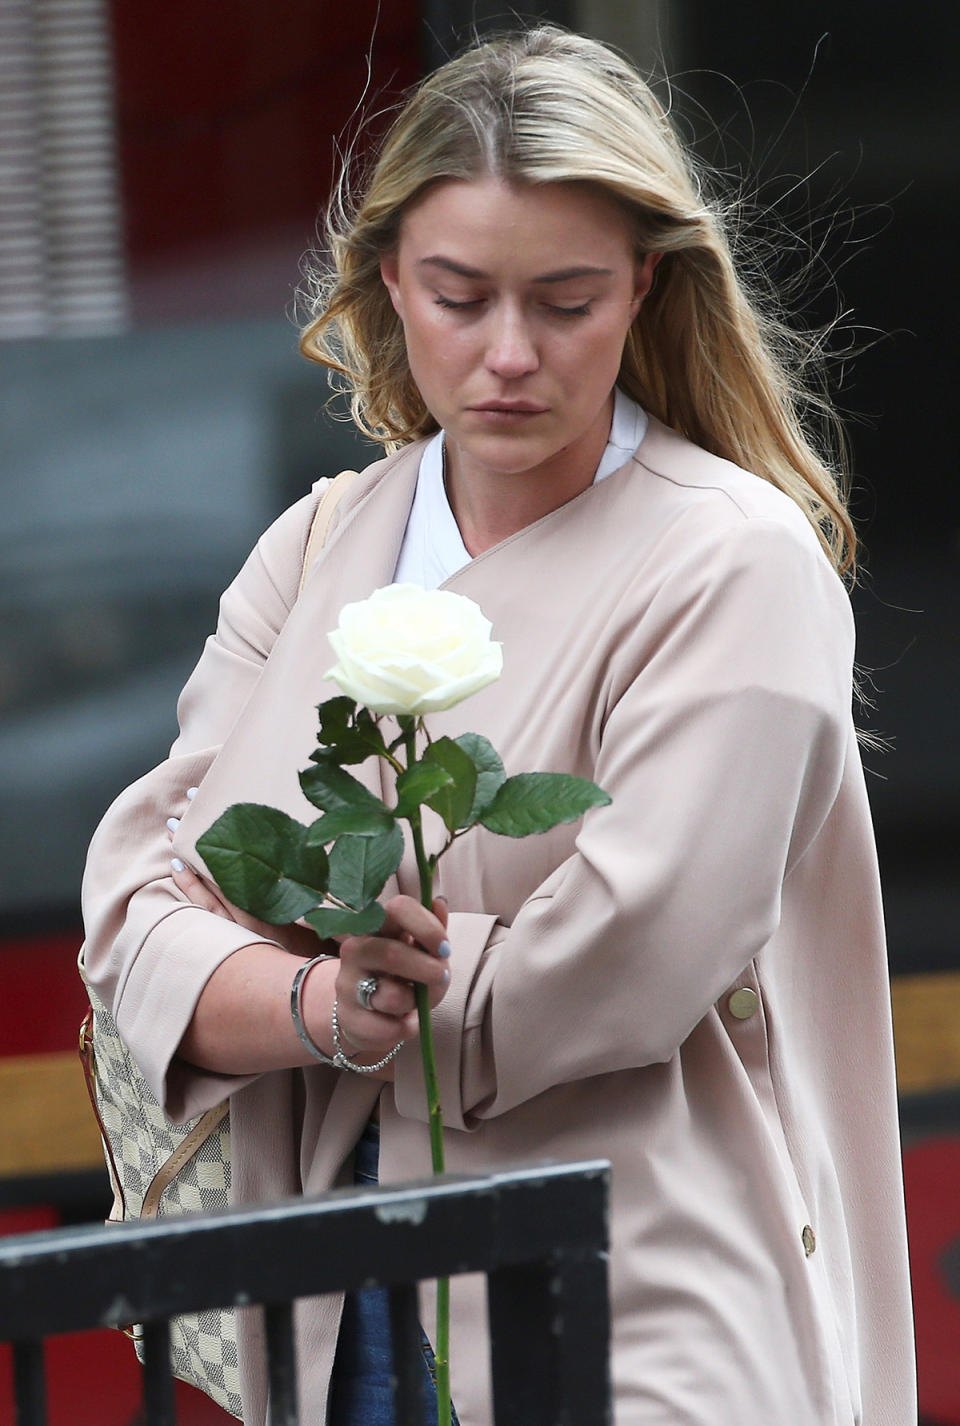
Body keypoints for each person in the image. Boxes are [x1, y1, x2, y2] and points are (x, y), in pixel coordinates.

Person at [81, 25, 916, 1426]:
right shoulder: (324, 540)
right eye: (460, 297)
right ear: (390, 281)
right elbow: (138, 907)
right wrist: (325, 1005)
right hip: (337, 1312)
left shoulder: (734, 560)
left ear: (646, 287)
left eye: (568, 300)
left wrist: (355, 966)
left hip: (637, 1314)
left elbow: (632, 955)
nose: (509, 356)